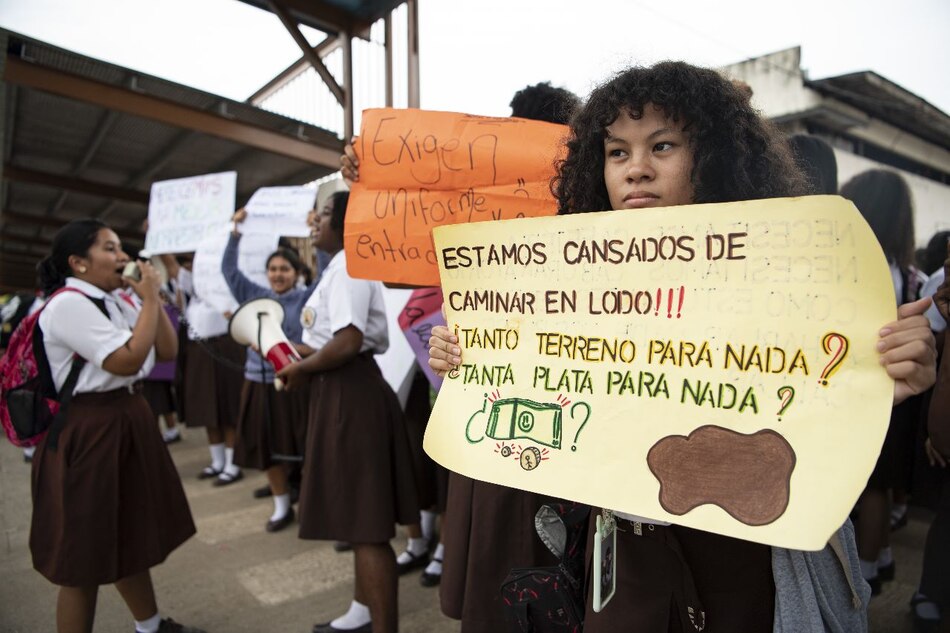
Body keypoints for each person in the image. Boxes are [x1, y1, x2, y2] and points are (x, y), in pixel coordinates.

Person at [429, 62, 936, 632]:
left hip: (741, 557)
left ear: (713, 157)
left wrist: (878, 382)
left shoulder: (786, 281)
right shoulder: (569, 290)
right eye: (617, 152)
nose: (636, 169)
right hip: (623, 558)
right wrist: (468, 361)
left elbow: (812, 408)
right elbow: (534, 404)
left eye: (662, 146)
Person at [31, 219, 201, 633]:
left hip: (125, 417)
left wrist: (150, 299)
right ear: (78, 263)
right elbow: (125, 360)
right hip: (90, 428)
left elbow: (166, 350)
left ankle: (150, 625)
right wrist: (148, 300)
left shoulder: (118, 299)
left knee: (128, 535)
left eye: (121, 247)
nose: (123, 255)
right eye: (109, 248)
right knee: (81, 560)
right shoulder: (68, 304)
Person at [277, 191, 420, 633]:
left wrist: (302, 367)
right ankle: (362, 612)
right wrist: (297, 354)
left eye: (323, 214)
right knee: (359, 519)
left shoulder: (349, 266)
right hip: (343, 390)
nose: (314, 221)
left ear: (343, 221)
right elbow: (334, 340)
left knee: (366, 526)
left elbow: (349, 341)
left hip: (351, 396)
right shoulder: (339, 266)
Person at [840, 169, 930, 596]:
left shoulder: (852, 261)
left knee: (871, 486)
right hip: (891, 391)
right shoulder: (903, 270)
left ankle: (866, 571)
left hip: (863, 390)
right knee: (881, 482)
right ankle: (881, 558)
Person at [221, 208, 318, 532]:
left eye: (284, 269)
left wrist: (315, 234)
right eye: (273, 269)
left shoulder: (307, 298)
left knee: (306, 444)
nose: (278, 274)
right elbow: (229, 270)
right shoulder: (254, 295)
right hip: (258, 382)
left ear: (296, 272)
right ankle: (281, 505)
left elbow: (327, 271)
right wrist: (235, 233)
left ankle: (310, 503)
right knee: (266, 445)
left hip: (296, 382)